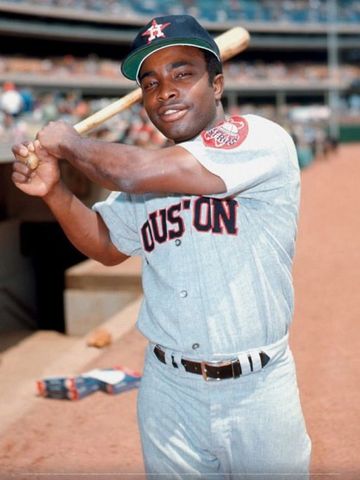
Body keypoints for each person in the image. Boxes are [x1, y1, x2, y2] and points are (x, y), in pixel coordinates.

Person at [12, 15, 311, 479]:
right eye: (150, 83)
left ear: (217, 84)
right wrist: (55, 192)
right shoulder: (145, 175)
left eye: (182, 74)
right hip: (169, 390)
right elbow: (109, 245)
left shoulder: (259, 141)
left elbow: (134, 172)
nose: (164, 91)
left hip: (257, 388)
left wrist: (70, 143)